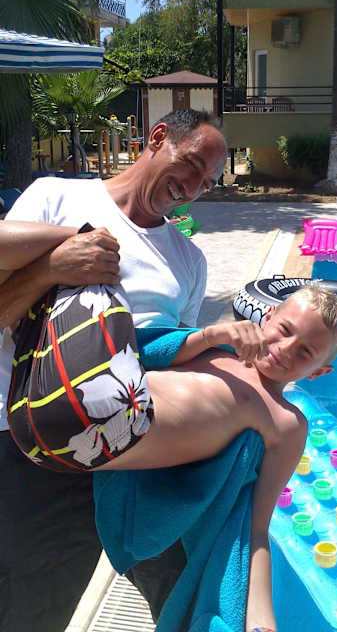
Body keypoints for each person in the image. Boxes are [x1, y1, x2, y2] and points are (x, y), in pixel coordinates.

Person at [0, 109, 267, 632]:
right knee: (34, 599)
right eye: (192, 164)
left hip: (138, 451)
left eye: (208, 182)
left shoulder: (188, 261)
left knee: (178, 588)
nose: (193, 186)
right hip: (33, 445)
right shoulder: (57, 197)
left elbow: (176, 357)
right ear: (158, 137)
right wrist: (52, 267)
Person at [7, 283, 337, 632]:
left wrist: (262, 622)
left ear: (320, 372)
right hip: (53, 406)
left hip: (94, 438)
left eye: (306, 352)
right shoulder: (213, 351)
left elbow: (257, 529)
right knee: (91, 286)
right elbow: (147, 349)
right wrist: (211, 334)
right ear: (267, 316)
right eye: (285, 330)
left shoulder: (285, 421)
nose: (286, 348)